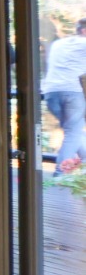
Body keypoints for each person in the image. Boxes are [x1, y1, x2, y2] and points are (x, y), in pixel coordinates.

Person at [40, 17, 86, 174]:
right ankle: (60, 175)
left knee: (73, 132)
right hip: (73, 92)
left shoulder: (58, 44)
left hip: (51, 92)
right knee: (73, 132)